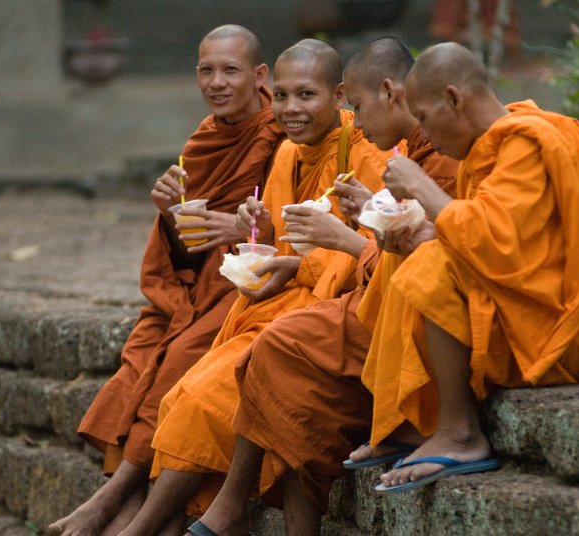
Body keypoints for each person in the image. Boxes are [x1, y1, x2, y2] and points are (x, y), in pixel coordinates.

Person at [115, 38, 390, 536]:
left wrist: (296, 262)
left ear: (340, 95)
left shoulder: (365, 152)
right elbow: (287, 242)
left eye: (306, 96)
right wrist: (255, 229)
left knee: (211, 394)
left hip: (328, 306)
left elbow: (373, 253)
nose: (290, 109)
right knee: (186, 394)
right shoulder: (286, 152)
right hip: (280, 303)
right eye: (281, 96)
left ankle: (157, 527)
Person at [190, 36, 460, 536]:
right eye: (284, 96)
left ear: (387, 94)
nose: (291, 109)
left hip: (412, 317)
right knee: (257, 364)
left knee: (269, 362)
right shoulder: (401, 155)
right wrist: (268, 237)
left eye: (355, 106)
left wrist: (348, 240)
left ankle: (223, 509)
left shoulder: (419, 159)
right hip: (362, 301)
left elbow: (442, 261)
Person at [351, 41, 579, 494]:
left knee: (431, 267)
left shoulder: (530, 140)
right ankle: (411, 422)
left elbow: (495, 244)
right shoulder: (492, 147)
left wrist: (423, 187)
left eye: (425, 117)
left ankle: (462, 433)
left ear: (454, 99)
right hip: (541, 307)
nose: (424, 132)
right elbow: (514, 248)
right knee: (416, 256)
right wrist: (425, 232)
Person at [47, 25, 285, 536]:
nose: (217, 82)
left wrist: (246, 227)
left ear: (259, 75)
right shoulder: (205, 138)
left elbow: (293, 219)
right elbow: (184, 251)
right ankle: (132, 510)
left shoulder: (280, 132)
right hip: (199, 285)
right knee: (141, 353)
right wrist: (171, 217)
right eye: (206, 70)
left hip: (252, 281)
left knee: (181, 358)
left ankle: (108, 503)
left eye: (230, 70)